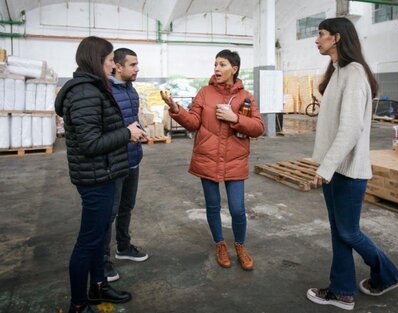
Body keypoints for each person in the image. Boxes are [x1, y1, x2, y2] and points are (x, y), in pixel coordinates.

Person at [306, 18, 398, 311]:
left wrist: (326, 168)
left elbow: (351, 129)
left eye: (321, 34)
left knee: (348, 232)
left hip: (346, 170)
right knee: (340, 231)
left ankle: (388, 273)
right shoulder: (338, 72)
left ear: (336, 38)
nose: (317, 40)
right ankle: (342, 291)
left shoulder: (355, 73)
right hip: (335, 168)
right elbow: (339, 120)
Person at [55, 36, 146, 313]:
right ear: (98, 61)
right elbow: (90, 143)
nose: (112, 66)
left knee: (98, 235)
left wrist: (125, 134)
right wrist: (127, 133)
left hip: (105, 172)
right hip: (96, 177)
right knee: (89, 241)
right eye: (109, 61)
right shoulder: (85, 92)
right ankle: (79, 303)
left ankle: (98, 286)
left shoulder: (95, 88)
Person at [160, 49, 265, 271]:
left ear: (234, 69)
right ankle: (220, 244)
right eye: (215, 64)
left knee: (237, 209)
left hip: (234, 159)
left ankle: (240, 245)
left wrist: (235, 118)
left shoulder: (246, 97)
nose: (217, 68)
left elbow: (258, 128)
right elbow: (192, 122)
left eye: (222, 64)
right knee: (213, 205)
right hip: (207, 157)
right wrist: (174, 108)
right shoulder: (204, 93)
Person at [104, 48, 149, 283]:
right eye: (132, 65)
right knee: (109, 212)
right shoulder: (106, 91)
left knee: (126, 206)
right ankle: (102, 260)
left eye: (137, 64)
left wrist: (141, 132)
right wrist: (126, 134)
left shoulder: (131, 91)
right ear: (117, 67)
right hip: (115, 162)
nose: (137, 69)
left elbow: (133, 121)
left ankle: (123, 246)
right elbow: (106, 129)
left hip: (134, 158)